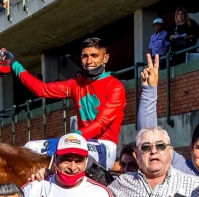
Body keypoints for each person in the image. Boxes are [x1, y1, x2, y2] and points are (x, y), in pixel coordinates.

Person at [13, 37, 126, 170]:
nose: (89, 61)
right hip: (79, 140)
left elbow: (101, 123)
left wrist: (75, 136)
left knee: (68, 148)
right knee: (30, 147)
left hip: (104, 146)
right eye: (85, 56)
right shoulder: (75, 84)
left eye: (94, 56)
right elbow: (41, 90)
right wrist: (14, 64)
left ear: (105, 58)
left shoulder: (115, 86)